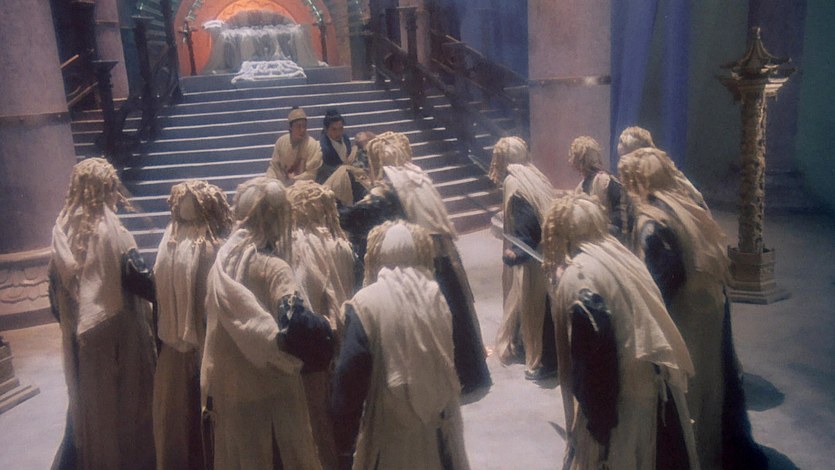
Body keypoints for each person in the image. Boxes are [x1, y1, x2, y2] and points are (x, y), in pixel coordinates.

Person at [619, 148, 767, 469]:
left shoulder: (652, 220)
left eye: (628, 181)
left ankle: (696, 455)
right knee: (713, 384)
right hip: (710, 308)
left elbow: (664, 279)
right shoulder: (686, 205)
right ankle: (713, 449)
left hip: (686, 316)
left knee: (688, 390)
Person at [542, 193, 699, 470]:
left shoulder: (579, 278)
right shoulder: (622, 256)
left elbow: (594, 362)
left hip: (623, 401)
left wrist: (598, 424)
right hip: (657, 386)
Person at [341, 131, 492, 393]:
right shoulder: (418, 176)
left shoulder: (390, 187)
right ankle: (470, 374)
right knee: (454, 315)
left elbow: (358, 217)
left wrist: (332, 207)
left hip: (421, 263)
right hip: (445, 258)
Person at [200, 177, 332, 470]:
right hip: (273, 398)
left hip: (232, 394)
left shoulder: (220, 266)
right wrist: (326, 329)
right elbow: (296, 325)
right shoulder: (274, 267)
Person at [331, 221, 471, 470]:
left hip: (389, 438)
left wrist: (343, 442)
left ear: (381, 255)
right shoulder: (434, 295)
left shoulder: (365, 303)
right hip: (437, 433)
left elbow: (350, 378)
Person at [49, 157, 156, 469]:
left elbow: (53, 296)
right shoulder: (112, 231)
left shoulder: (61, 230)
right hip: (120, 336)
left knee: (91, 409)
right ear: (106, 188)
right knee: (127, 407)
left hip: (81, 340)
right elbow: (142, 282)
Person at [152, 180, 232, 470]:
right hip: (207, 348)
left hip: (173, 349)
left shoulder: (169, 239)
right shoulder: (215, 246)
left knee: (175, 424)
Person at [286, 180, 356, 469]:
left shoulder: (290, 247)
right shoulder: (340, 243)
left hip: (311, 347)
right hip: (342, 341)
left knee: (315, 422)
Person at [487, 136, 558, 381]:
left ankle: (546, 361)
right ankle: (523, 343)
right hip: (548, 248)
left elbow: (527, 219)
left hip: (536, 254)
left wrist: (517, 251)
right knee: (531, 302)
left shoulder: (514, 182)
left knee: (539, 307)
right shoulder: (534, 174)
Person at [617, 126, 708, 212]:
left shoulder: (653, 162)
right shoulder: (635, 164)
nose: (619, 147)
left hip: (674, 209)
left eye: (622, 142)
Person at [569, 135, 626, 238]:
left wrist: (607, 228)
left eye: (573, 155)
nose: (570, 159)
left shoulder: (604, 180)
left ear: (580, 159)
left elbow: (622, 210)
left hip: (609, 238)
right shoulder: (581, 186)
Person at [317, 109, 373, 206]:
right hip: (330, 181)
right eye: (334, 129)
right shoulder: (323, 147)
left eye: (341, 128)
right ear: (326, 130)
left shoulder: (345, 138)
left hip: (347, 173)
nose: (338, 132)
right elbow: (328, 171)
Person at [267, 106, 323, 184]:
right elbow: (274, 167)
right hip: (282, 185)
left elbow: (311, 174)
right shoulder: (281, 142)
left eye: (304, 126)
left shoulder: (313, 145)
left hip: (304, 186)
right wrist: (271, 181)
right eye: (298, 126)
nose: (302, 130)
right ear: (290, 127)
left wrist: (293, 180)